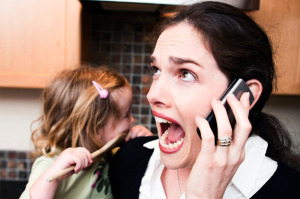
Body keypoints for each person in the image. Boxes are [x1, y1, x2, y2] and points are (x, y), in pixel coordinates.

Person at [109, 1, 300, 199]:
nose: (152, 95)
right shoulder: (129, 160)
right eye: (156, 70)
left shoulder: (289, 191)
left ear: (244, 95)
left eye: (185, 73)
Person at [20, 66, 153, 199]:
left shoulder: (106, 153)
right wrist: (52, 178)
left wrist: (139, 143)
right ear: (95, 128)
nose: (132, 120)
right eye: (126, 115)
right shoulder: (51, 164)